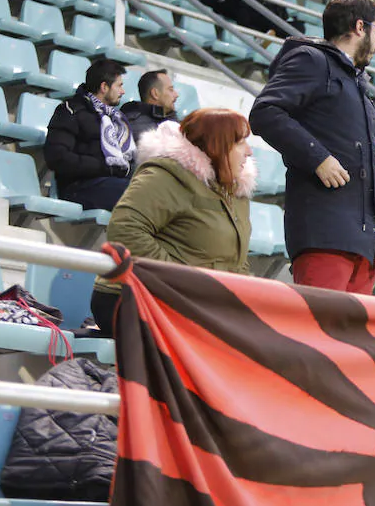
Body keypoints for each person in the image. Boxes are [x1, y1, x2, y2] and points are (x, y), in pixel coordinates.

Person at [249, 0, 375, 294]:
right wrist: (318, 158)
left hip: (362, 239)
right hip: (325, 233)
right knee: (321, 336)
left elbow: (347, 135)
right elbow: (264, 112)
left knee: (350, 340)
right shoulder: (312, 60)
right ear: (360, 27)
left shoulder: (355, 79)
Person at [90, 109, 256, 336]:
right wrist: (178, 280)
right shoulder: (165, 175)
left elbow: (237, 261)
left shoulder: (234, 191)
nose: (249, 152)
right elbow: (125, 229)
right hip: (135, 298)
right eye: (240, 143)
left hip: (198, 303)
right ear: (219, 145)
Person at [44, 59, 133, 211]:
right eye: (119, 86)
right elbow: (57, 157)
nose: (122, 92)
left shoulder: (116, 119)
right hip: (78, 187)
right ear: (104, 87)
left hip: (111, 183)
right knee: (139, 196)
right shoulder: (70, 110)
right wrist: (104, 167)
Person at [121, 69, 179, 143]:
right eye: (170, 90)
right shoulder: (133, 126)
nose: (176, 95)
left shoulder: (173, 121)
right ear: (155, 94)